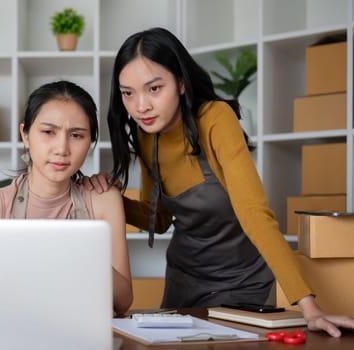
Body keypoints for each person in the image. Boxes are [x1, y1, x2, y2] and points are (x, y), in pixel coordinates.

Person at [82, 27, 354, 336]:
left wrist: (310, 308)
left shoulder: (215, 118)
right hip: (183, 280)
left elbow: (254, 215)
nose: (140, 106)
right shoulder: (147, 137)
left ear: (181, 83)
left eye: (154, 88)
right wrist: (111, 198)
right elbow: (159, 219)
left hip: (241, 282)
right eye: (128, 93)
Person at [0, 80, 133, 315]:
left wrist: (82, 252)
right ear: (25, 134)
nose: (61, 148)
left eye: (76, 135)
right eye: (48, 132)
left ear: (90, 142)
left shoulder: (104, 200)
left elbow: (123, 301)